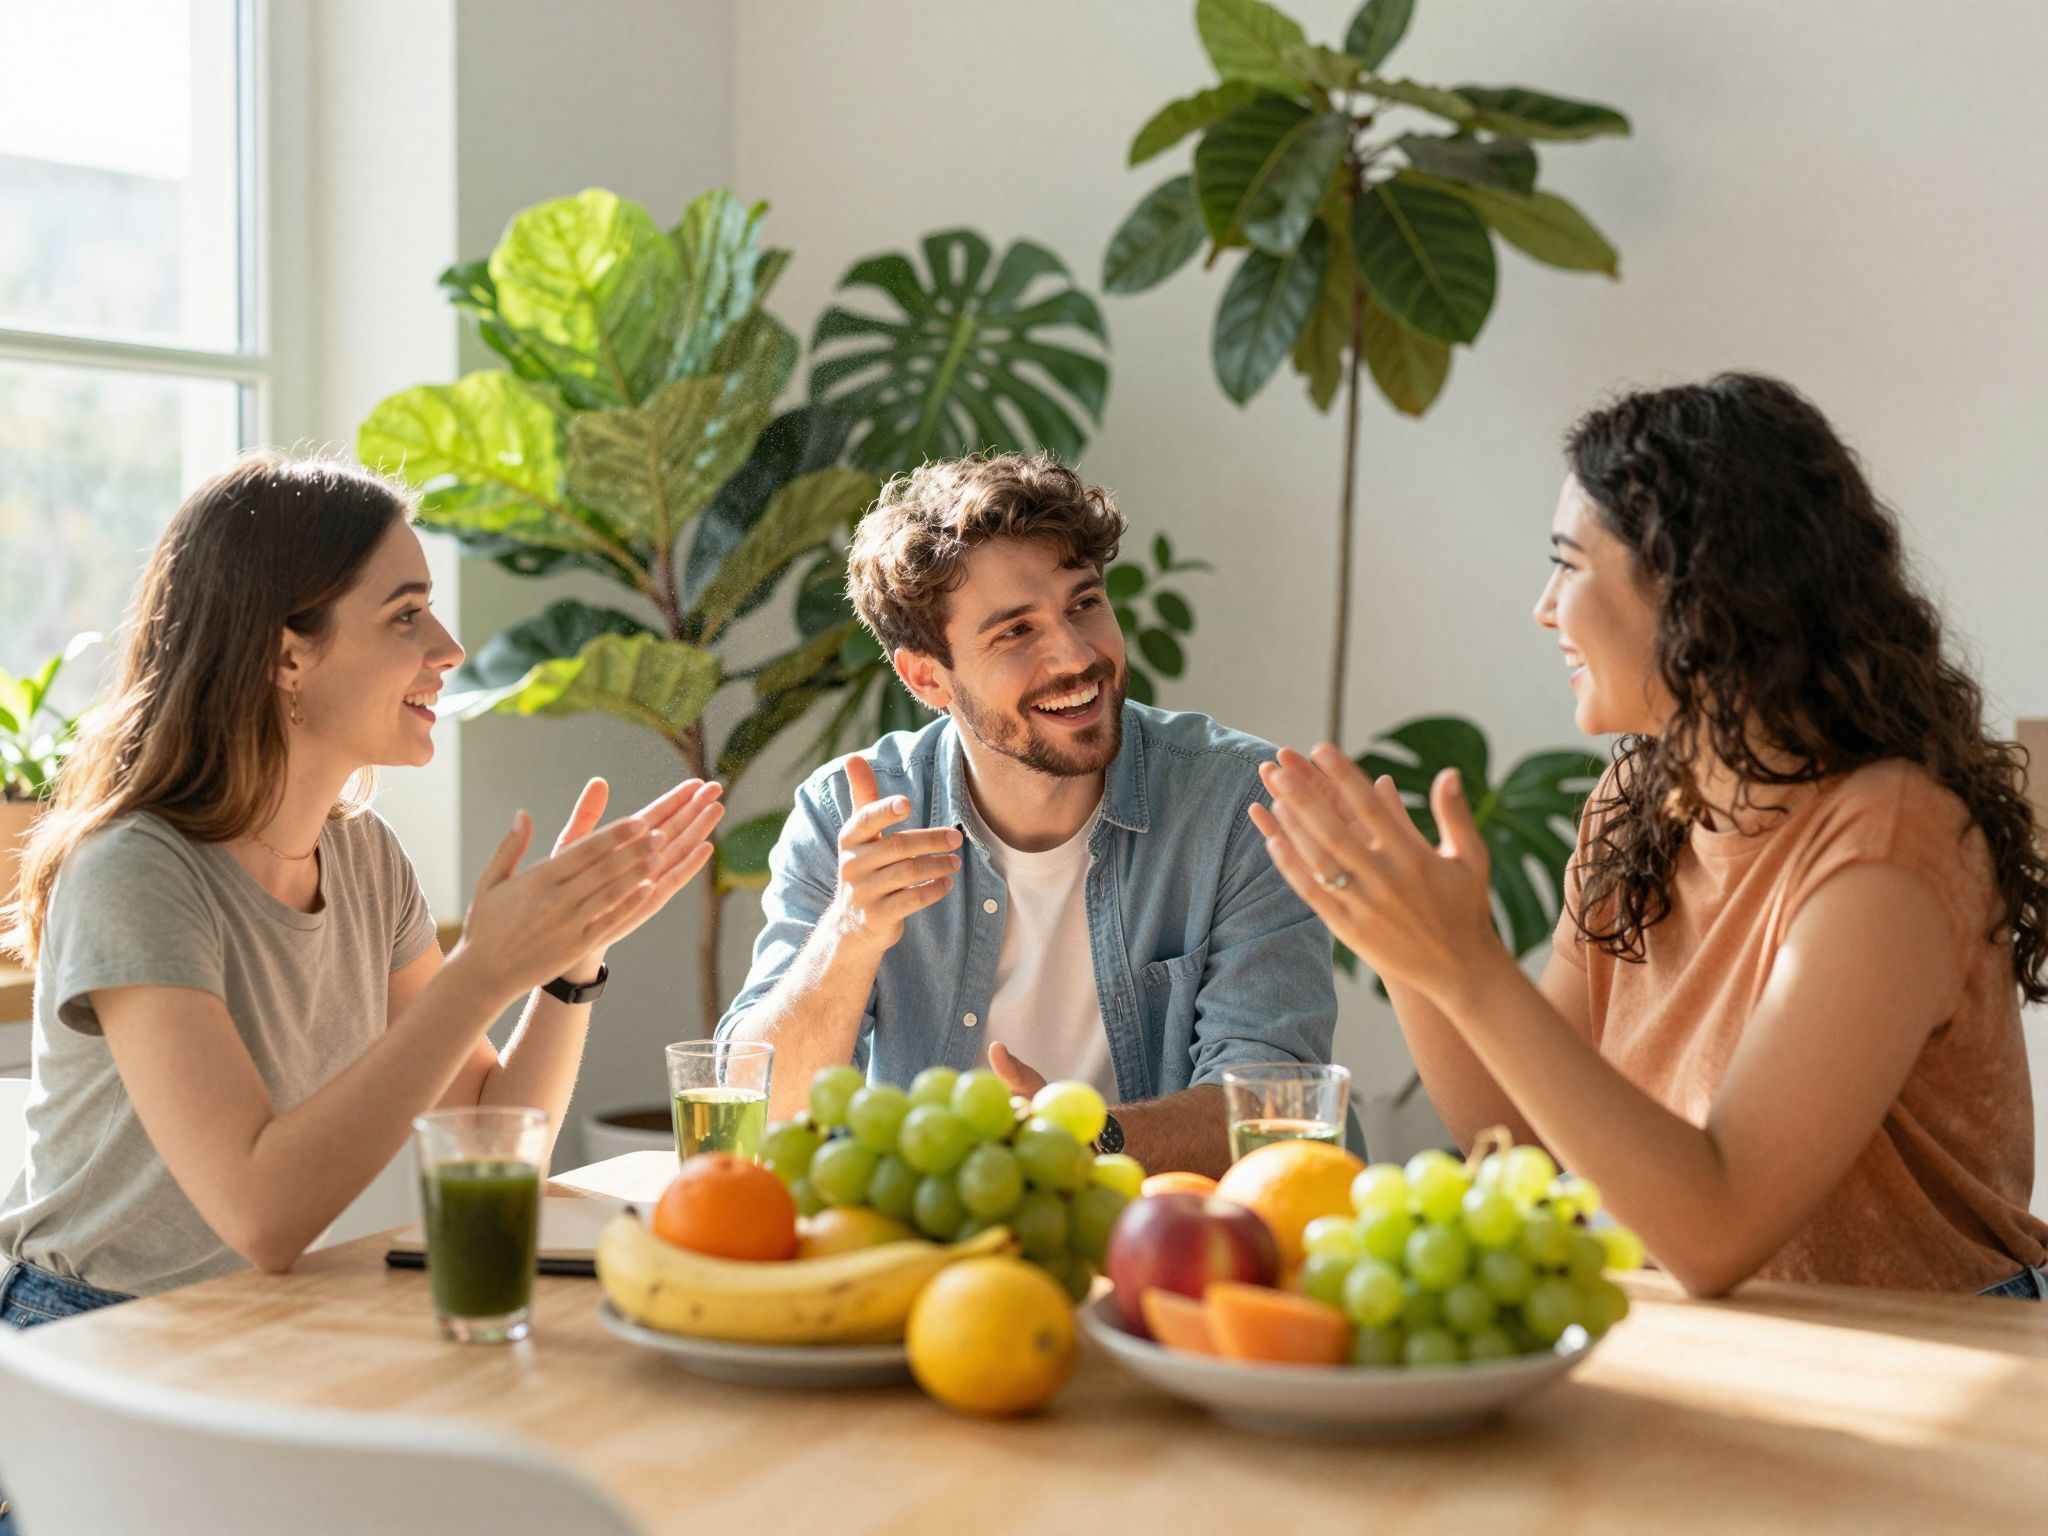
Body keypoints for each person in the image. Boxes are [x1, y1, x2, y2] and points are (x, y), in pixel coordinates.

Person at [1256, 373, 2048, 1298]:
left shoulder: (1888, 843)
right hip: (1719, 1337)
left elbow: (1716, 1230)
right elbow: (1524, 1141)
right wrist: (1410, 952)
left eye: (1568, 563)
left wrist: (1469, 965)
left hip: (1932, 1355)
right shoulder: (1643, 797)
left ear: (1695, 594)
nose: (1544, 608)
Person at [0, 454, 725, 1325]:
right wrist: (482, 972)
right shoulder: (134, 869)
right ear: (286, 657)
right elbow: (262, 1213)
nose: (448, 649)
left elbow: (495, 1144)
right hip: (93, 1334)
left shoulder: (361, 857)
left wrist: (572, 963)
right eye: (406, 615)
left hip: (254, 1318)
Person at [718, 452, 1337, 1176]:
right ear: (927, 676)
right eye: (1015, 632)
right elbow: (749, 1119)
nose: (1076, 655)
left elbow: (1275, 1110)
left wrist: (1082, 1139)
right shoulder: (848, 815)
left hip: (1172, 1248)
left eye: (1084, 604)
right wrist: (850, 936)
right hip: (937, 1254)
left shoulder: (1238, 804)